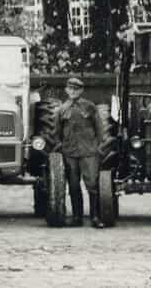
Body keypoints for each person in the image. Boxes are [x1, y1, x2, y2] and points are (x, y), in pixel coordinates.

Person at [57, 77, 109, 228]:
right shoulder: (62, 109)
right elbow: (57, 132)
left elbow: (99, 128)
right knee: (73, 185)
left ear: (81, 91)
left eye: (76, 89)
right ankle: (77, 217)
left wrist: (99, 146)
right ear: (66, 90)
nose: (73, 92)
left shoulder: (89, 107)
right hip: (70, 153)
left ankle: (95, 216)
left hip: (89, 153)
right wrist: (63, 148)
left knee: (92, 184)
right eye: (70, 89)